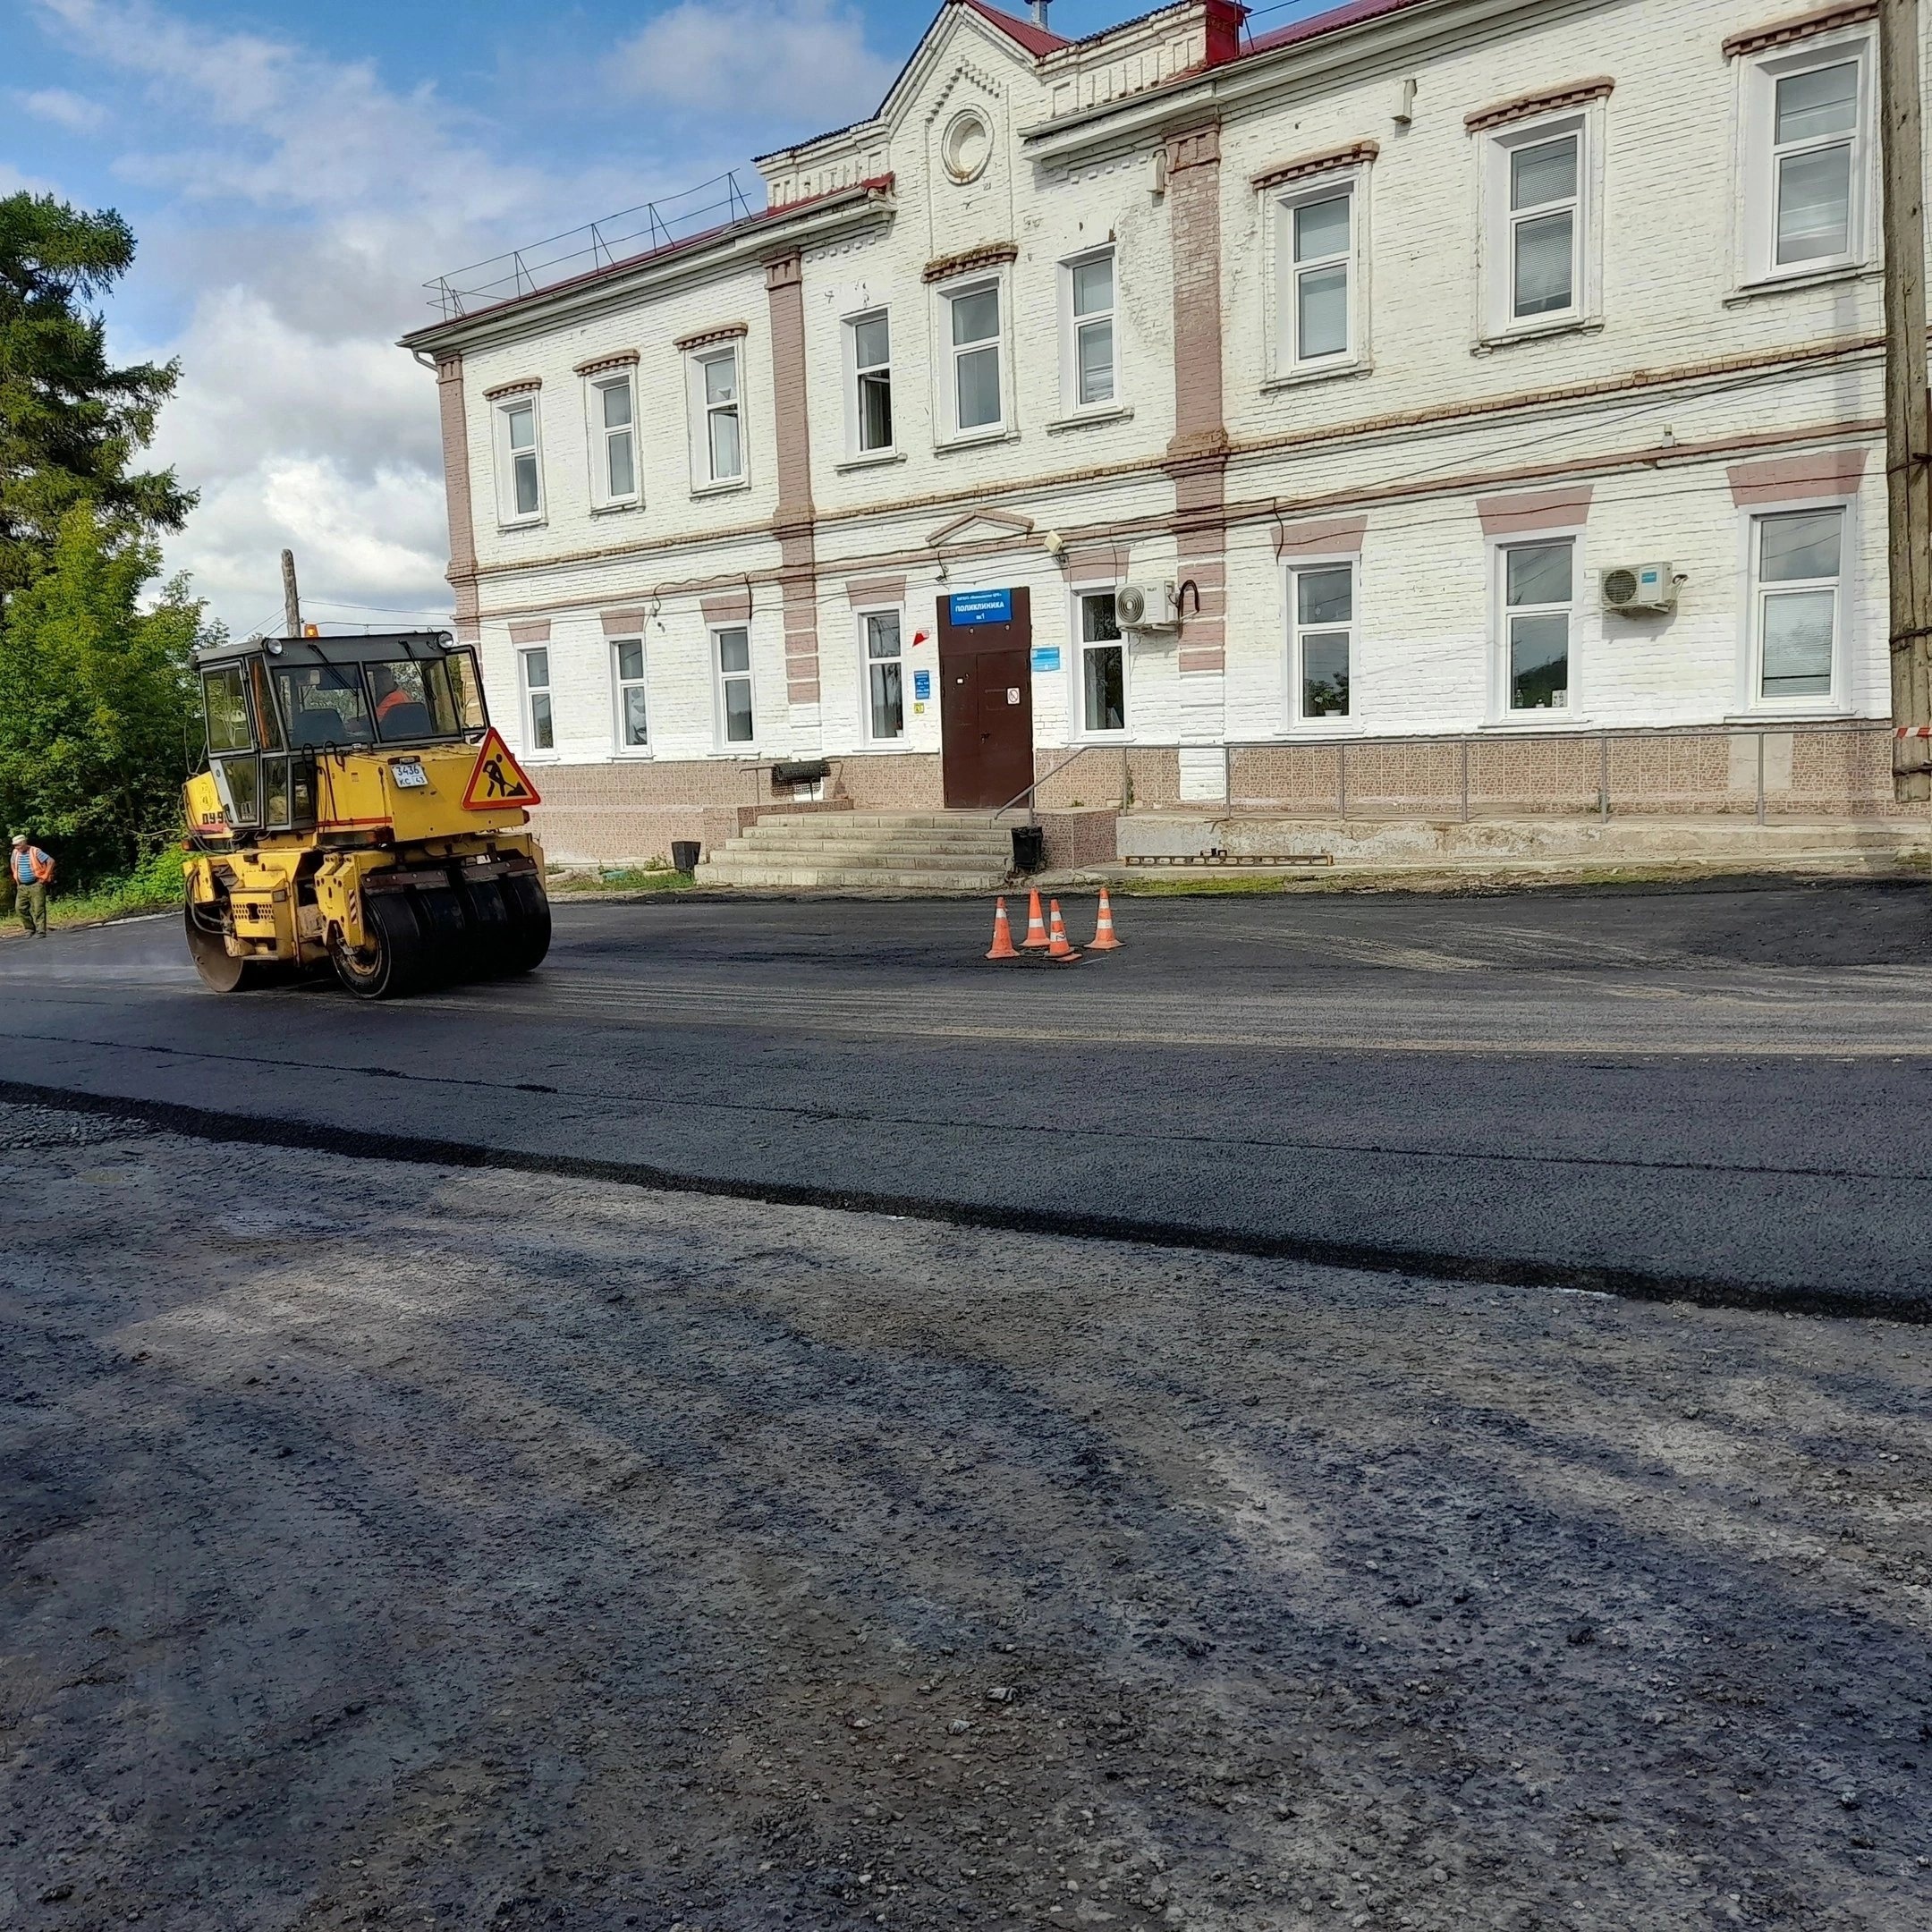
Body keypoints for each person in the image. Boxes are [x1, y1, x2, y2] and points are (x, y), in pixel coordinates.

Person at [11, 835, 54, 937]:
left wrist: (45, 876)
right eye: (15, 845)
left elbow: (51, 861)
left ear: (23, 843)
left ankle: (41, 931)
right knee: (20, 908)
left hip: (36, 884)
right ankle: (29, 929)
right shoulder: (15, 853)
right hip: (22, 886)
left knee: (38, 908)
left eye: (18, 845)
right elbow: (13, 863)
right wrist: (16, 876)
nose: (16, 847)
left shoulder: (35, 851)